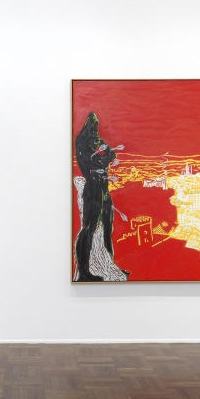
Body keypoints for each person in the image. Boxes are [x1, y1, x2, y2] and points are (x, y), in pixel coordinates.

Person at [74, 112, 125, 281]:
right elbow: (96, 164)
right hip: (93, 190)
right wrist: (101, 154)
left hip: (101, 188)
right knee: (89, 228)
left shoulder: (89, 143)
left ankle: (108, 264)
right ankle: (84, 271)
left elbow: (110, 155)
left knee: (107, 224)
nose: (96, 134)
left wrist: (101, 148)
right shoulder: (84, 145)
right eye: (94, 129)